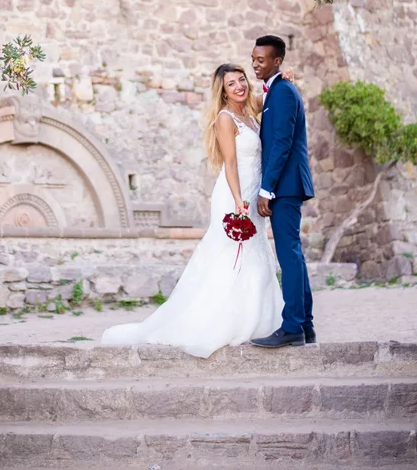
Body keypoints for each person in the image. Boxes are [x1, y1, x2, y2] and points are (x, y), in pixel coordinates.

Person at [100, 63, 283, 358]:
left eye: (241, 80)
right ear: (222, 93)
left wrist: (278, 78)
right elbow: (232, 164)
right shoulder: (225, 119)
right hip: (235, 193)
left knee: (255, 252)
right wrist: (238, 200)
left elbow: (269, 96)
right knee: (228, 256)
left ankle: (257, 318)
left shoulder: (249, 111)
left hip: (253, 190)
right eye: (231, 84)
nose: (239, 86)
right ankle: (220, 320)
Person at [249, 35, 316, 348]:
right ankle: (305, 326)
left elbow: (281, 144)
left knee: (288, 257)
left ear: (277, 61)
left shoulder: (284, 92)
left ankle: (292, 328)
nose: (255, 64)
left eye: (261, 60)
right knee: (294, 255)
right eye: (253, 58)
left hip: (285, 187)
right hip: (287, 185)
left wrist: (267, 189)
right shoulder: (277, 90)